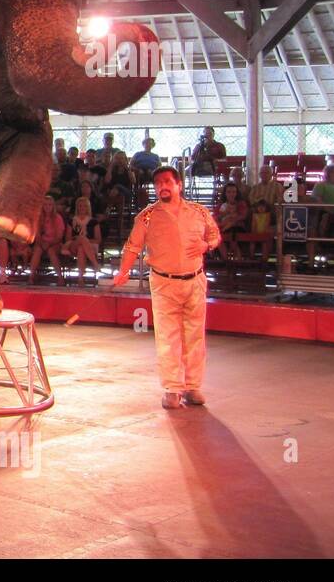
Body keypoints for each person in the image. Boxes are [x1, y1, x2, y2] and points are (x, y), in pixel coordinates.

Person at [112, 166, 222, 409]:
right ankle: (172, 388)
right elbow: (132, 246)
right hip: (164, 282)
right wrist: (123, 270)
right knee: (168, 336)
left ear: (178, 185)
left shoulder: (199, 212)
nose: (162, 186)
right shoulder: (147, 216)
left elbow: (215, 235)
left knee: (194, 335)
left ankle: (193, 386)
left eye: (167, 182)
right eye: (158, 183)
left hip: (194, 280)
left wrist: (207, 245)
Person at [305, 162, 334, 261]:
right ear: (329, 174)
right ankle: (322, 241)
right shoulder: (321, 185)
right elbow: (316, 200)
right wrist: (328, 208)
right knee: (324, 217)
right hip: (327, 212)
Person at [61, 196, 101, 284]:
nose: (82, 208)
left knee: (81, 248)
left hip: (89, 247)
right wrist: (79, 239)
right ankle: (95, 263)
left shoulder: (94, 222)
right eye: (80, 206)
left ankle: (80, 278)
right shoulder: (71, 221)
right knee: (81, 240)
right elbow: (67, 238)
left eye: (84, 206)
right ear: (77, 207)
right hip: (72, 245)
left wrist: (84, 241)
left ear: (88, 208)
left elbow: (98, 240)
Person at [28, 196, 65, 284]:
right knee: (37, 250)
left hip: (54, 243)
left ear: (53, 206)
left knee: (51, 251)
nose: (47, 207)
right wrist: (42, 243)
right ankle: (31, 277)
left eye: (49, 205)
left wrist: (49, 244)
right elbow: (37, 235)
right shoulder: (38, 218)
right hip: (41, 243)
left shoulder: (58, 218)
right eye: (45, 205)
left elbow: (59, 237)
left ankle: (60, 278)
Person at [214, 182, 248, 260]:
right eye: (229, 192)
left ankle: (237, 261)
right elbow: (215, 217)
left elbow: (243, 216)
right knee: (218, 238)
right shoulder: (221, 204)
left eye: (233, 192)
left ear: (237, 193)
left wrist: (232, 219)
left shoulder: (241, 203)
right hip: (223, 227)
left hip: (237, 227)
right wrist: (222, 217)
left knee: (233, 236)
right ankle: (227, 262)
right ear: (225, 193)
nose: (231, 194)